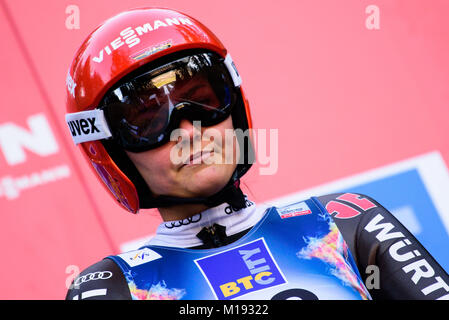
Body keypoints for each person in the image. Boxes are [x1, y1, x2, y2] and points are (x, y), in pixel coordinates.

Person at [64, 7, 449, 300]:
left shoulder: (346, 221)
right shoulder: (111, 289)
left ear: (235, 112)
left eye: (202, 102)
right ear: (110, 150)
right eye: (150, 123)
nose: (190, 132)